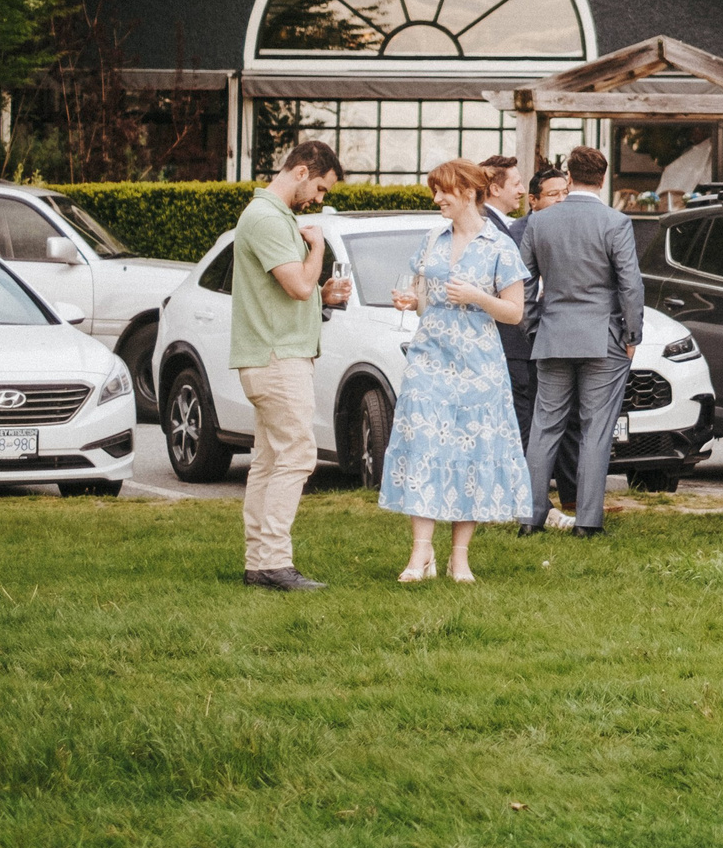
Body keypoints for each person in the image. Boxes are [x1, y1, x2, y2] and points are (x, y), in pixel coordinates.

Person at [381, 160, 533, 581]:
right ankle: (420, 555)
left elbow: (515, 313)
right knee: (425, 448)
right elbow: (418, 287)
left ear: (468, 192)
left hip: (479, 367)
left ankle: (459, 557)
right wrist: (410, 300)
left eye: (442, 191)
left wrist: (477, 296)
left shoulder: (499, 246)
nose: (436, 199)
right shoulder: (432, 239)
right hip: (429, 359)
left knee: (471, 454)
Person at [228, 141, 352, 591]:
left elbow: (286, 293)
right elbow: (298, 285)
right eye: (320, 188)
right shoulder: (266, 217)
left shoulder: (271, 217)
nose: (320, 199)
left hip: (272, 353)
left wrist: (324, 295)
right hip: (278, 357)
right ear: (301, 172)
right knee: (298, 455)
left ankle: (260, 563)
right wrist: (316, 246)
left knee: (268, 459)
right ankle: (274, 562)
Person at [517, 145, 643, 539]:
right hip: (603, 338)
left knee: (545, 427)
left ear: (568, 178)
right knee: (596, 429)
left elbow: (522, 283)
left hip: (552, 334)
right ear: (603, 179)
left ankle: (530, 516)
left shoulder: (540, 222)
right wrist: (632, 335)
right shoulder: (615, 222)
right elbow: (631, 285)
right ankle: (588, 522)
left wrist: (534, 328)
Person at [484, 155, 578, 530]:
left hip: (525, 340)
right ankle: (534, 505)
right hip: (514, 340)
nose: (521, 190)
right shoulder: (497, 228)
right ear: (495, 188)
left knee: (529, 424)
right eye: (516, 184)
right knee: (523, 426)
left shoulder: (501, 225)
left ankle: (536, 501)